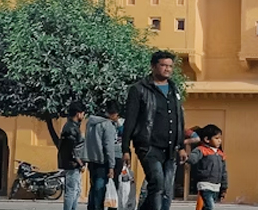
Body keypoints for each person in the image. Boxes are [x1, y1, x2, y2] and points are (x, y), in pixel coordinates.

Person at [122, 50, 187, 210]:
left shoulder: (174, 90)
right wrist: (125, 148)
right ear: (153, 66)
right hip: (149, 147)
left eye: (170, 66)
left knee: (166, 190)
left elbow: (180, 119)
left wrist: (182, 146)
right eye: (163, 65)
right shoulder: (138, 90)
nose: (167, 69)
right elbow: (130, 120)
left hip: (171, 148)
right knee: (157, 183)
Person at [85, 107, 124, 210]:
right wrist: (111, 166)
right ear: (114, 114)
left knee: (93, 188)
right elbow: (109, 147)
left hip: (91, 160)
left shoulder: (90, 123)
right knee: (100, 189)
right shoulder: (107, 125)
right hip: (102, 161)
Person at [187, 125, 227, 210]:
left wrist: (224, 187)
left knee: (205, 206)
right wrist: (187, 158)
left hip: (216, 186)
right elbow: (193, 158)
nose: (219, 141)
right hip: (205, 184)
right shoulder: (201, 150)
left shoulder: (220, 154)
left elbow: (224, 172)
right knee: (210, 206)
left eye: (220, 138)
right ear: (207, 139)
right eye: (216, 138)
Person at [59, 107, 88, 210]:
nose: (83, 116)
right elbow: (72, 149)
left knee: (76, 191)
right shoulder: (71, 128)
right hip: (72, 164)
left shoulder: (71, 126)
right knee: (71, 191)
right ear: (78, 114)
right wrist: (80, 163)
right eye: (83, 113)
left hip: (73, 164)